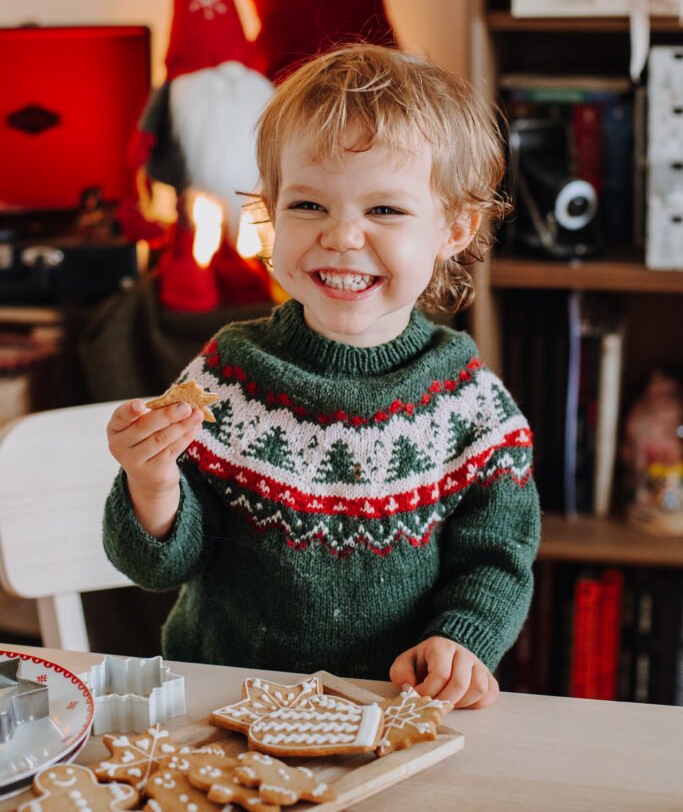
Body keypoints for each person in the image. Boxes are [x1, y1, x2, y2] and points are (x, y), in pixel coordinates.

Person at [104, 43, 540, 710]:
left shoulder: (468, 402)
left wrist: (462, 640)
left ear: (453, 227)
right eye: (308, 205)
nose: (340, 236)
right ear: (269, 212)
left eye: (384, 211)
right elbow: (160, 564)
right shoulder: (230, 373)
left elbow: (496, 557)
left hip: (391, 713)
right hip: (225, 706)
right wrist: (151, 479)